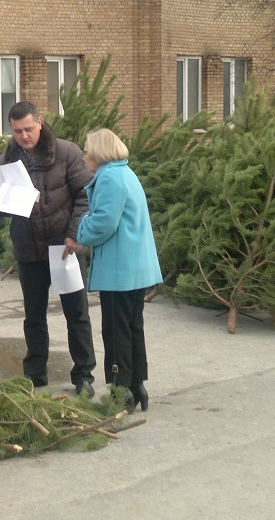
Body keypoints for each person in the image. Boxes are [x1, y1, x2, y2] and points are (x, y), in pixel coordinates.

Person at [0, 102, 97, 397]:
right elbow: (1, 204)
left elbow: (85, 195)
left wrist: (73, 234)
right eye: (17, 131)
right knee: (34, 316)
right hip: (29, 249)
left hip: (63, 249)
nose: (24, 136)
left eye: (28, 129)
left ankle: (83, 375)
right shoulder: (6, 160)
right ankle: (35, 374)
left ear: (40, 122)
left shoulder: (66, 152)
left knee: (76, 313)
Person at [77, 129, 162, 413]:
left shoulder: (110, 178)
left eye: (87, 149)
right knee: (132, 328)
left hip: (120, 270)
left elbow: (102, 224)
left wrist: (80, 230)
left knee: (116, 333)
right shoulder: (125, 173)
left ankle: (120, 391)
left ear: (99, 153)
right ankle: (137, 386)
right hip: (134, 268)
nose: (84, 155)